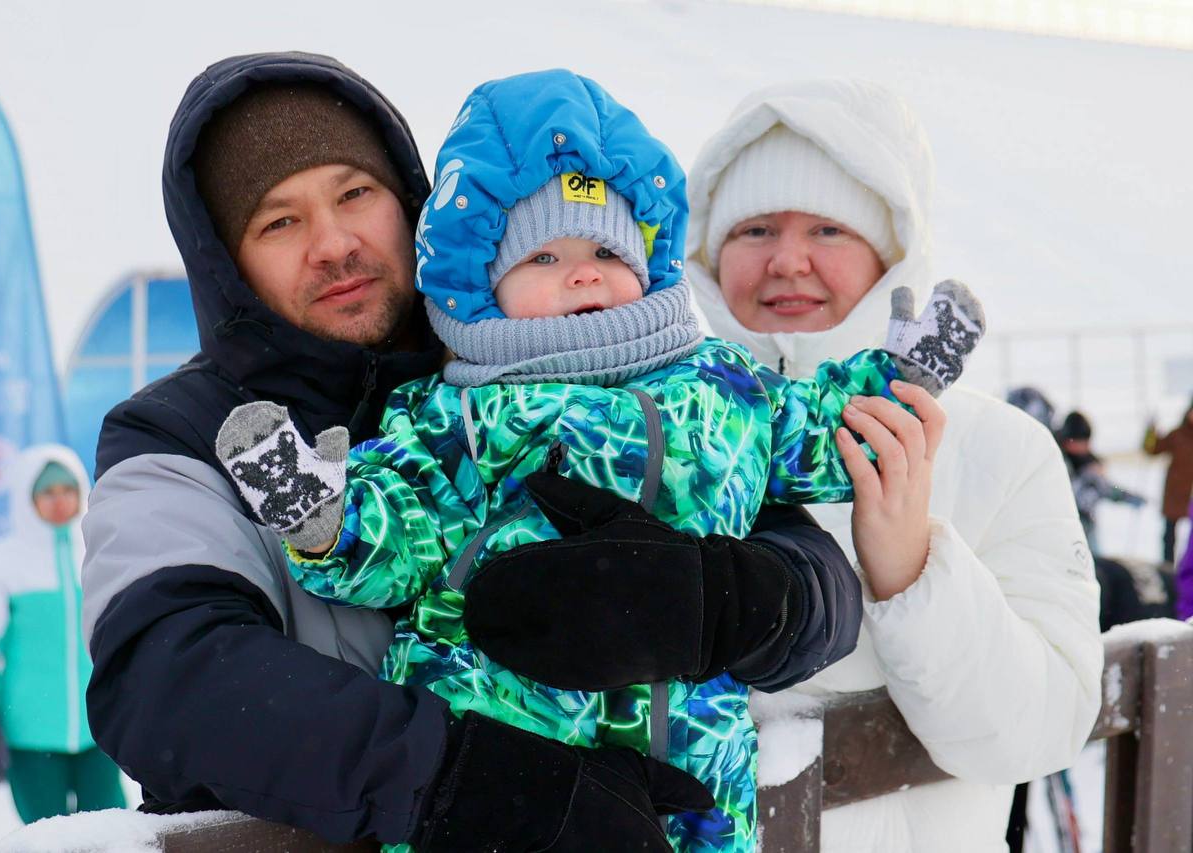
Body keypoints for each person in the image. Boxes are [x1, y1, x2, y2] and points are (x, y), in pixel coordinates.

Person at [82, 52, 846, 852]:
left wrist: (739, 599)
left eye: (354, 194)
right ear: (225, 265)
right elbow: (170, 680)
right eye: (280, 221)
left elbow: (802, 550)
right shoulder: (176, 437)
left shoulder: (534, 359)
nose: (334, 242)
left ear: (415, 205)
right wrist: (477, 784)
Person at [215, 69, 982, 852]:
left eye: (604, 250)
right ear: (485, 288)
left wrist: (899, 382)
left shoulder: (721, 386)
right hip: (519, 779)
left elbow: (821, 433)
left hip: (695, 780)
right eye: (543, 258)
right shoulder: (464, 416)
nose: (582, 272)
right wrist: (325, 519)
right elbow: (401, 529)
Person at [674, 79, 1102, 851]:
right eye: (756, 228)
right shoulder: (642, 428)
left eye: (830, 230)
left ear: (890, 253)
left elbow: (1042, 729)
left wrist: (913, 573)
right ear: (708, 253)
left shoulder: (997, 449)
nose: (788, 260)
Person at [0, 445, 126, 823]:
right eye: (47, 492)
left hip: (96, 728)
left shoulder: (100, 550)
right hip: (30, 734)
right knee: (44, 838)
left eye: (68, 490)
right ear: (27, 498)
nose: (60, 501)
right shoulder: (3, 561)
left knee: (112, 833)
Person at [1057, 410, 1145, 555]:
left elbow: (1107, 487)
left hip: (1087, 528)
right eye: (1079, 442)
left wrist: (1127, 496)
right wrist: (1086, 478)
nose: (1083, 446)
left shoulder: (1090, 462)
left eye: (1085, 441)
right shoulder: (1058, 461)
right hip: (1063, 529)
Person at [1143, 400, 1193, 563]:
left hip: (1191, 495)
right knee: (1169, 536)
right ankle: (1168, 567)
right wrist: (1151, 431)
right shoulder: (1177, 435)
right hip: (1175, 494)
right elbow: (1151, 449)